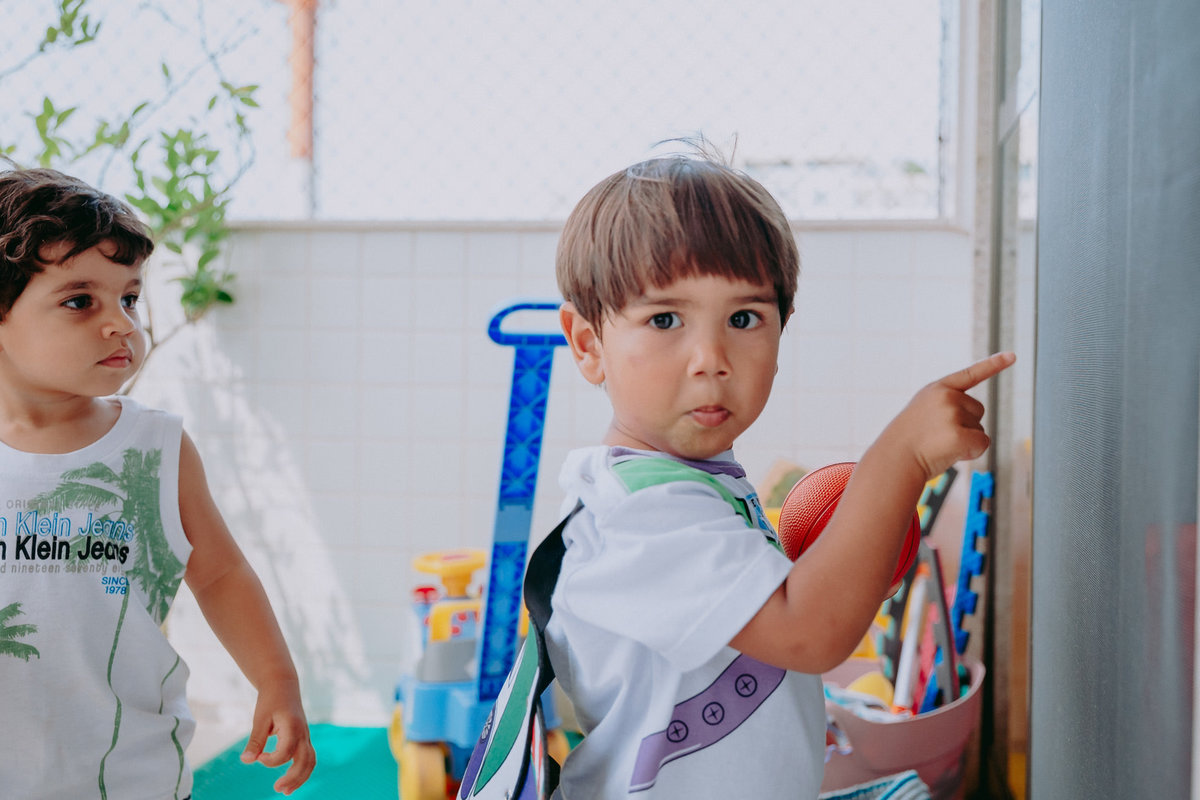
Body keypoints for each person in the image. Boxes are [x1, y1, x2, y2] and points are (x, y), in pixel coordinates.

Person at [548, 150, 1014, 798]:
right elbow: (808, 632)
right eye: (664, 320)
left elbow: (785, 617)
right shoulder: (641, 516)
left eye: (743, 319)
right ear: (588, 344)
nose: (711, 359)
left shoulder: (690, 483)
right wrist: (898, 459)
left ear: (780, 328)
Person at [0, 166, 316, 798]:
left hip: (125, 773)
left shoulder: (153, 446)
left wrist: (277, 680)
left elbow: (221, 574)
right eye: (79, 300)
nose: (120, 322)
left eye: (130, 297)